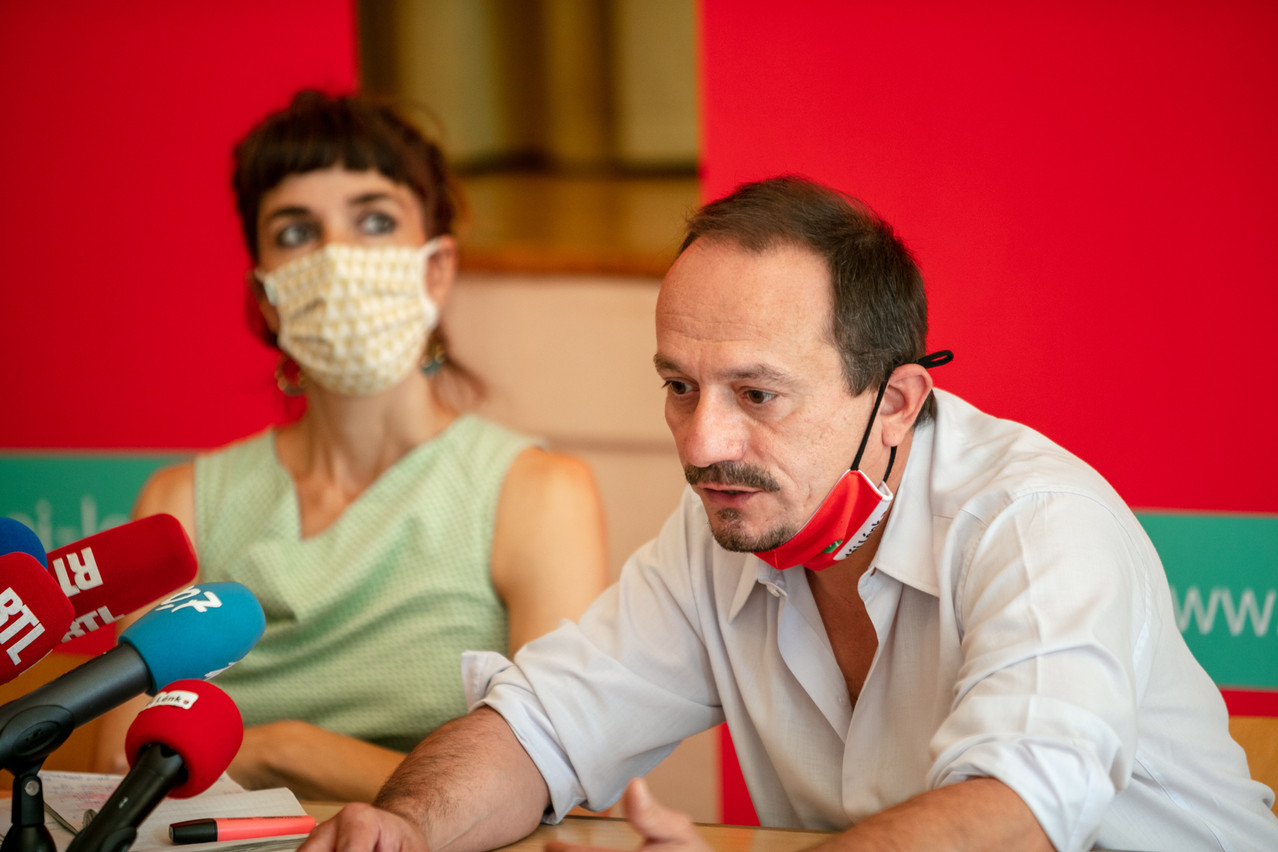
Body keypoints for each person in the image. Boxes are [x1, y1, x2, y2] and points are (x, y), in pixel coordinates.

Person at [300, 176, 1278, 851]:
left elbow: (1016, 817)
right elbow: (542, 728)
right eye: (679, 386)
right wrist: (409, 825)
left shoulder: (1036, 523)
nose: (699, 443)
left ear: (894, 402)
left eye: (757, 395)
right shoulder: (733, 518)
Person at [93, 90, 610, 803]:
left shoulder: (537, 494)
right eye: (297, 232)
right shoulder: (180, 504)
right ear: (267, 296)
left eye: (374, 220)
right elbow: (112, 782)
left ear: (435, 268)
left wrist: (288, 752)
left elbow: (556, 779)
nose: (337, 255)